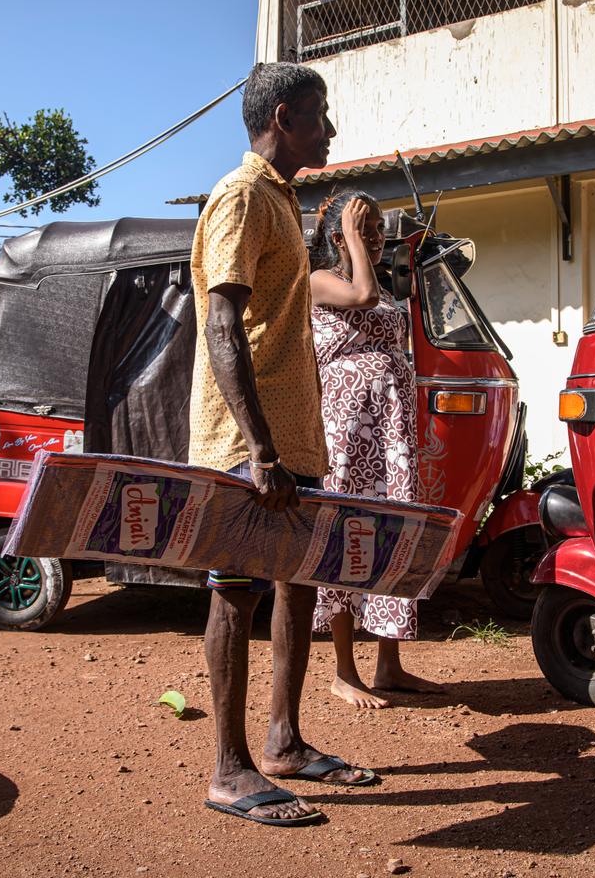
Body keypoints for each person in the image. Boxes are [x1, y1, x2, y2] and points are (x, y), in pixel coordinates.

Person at [190, 62, 376, 828]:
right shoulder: (240, 197)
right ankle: (230, 770)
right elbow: (221, 323)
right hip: (248, 439)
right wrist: (259, 451)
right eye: (321, 114)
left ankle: (284, 743)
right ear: (284, 114)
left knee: (298, 584)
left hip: (293, 436)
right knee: (236, 590)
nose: (330, 128)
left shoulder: (281, 199)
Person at [307, 190, 445, 709]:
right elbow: (361, 296)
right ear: (340, 236)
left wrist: (359, 238)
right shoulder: (322, 280)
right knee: (349, 534)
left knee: (394, 531)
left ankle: (389, 663)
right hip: (347, 434)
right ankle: (345, 671)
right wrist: (349, 235)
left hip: (388, 433)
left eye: (377, 231)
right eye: (367, 230)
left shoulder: (382, 286)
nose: (377, 239)